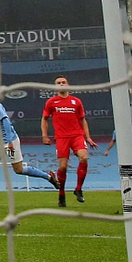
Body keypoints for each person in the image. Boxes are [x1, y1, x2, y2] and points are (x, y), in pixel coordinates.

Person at [0, 84, 59, 207]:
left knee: (19, 169)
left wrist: (9, 142)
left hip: (9, 140)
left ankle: (49, 178)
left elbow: (6, 121)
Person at [41, 75, 98, 207]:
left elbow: (83, 119)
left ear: (68, 84)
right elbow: (44, 119)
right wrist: (45, 135)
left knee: (84, 158)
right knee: (63, 167)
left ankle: (78, 189)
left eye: (63, 82)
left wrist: (88, 137)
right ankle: (61, 194)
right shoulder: (51, 102)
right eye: (58, 83)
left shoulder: (76, 102)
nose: (61, 84)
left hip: (77, 135)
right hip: (61, 137)